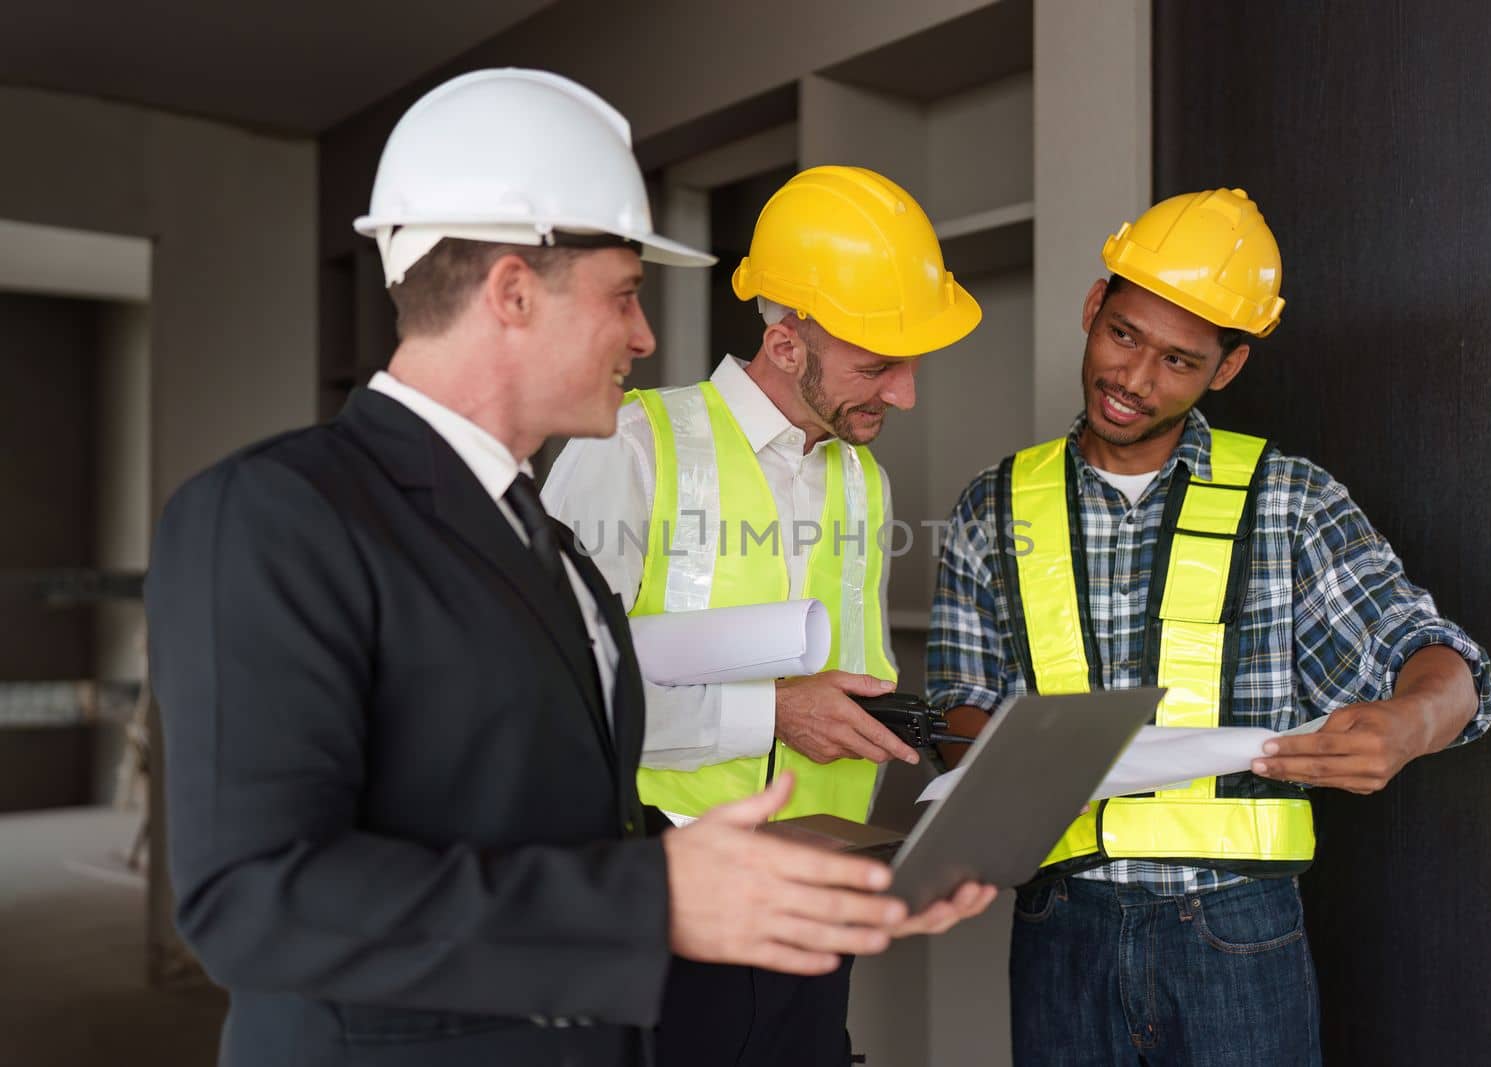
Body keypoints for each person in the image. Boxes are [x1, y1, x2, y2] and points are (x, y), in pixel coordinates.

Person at [146, 70, 979, 1067]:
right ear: (511, 291)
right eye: (624, 295)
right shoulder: (275, 514)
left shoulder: (553, 551)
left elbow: (571, 811)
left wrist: (804, 883)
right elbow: (252, 902)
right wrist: (660, 895)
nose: (647, 334)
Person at [926, 187, 1491, 1066]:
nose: (1134, 378)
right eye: (1123, 335)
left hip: (1236, 930)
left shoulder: (1289, 500)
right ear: (1093, 306)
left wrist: (1407, 722)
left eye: (1179, 361)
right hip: (1058, 925)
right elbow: (956, 716)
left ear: (1225, 370)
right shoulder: (991, 506)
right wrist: (1001, 754)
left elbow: (1438, 659)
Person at [544, 164, 991, 1066]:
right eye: (879, 365)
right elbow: (556, 695)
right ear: (787, 342)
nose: (904, 393)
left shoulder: (864, 478)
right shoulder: (630, 447)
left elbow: (840, 684)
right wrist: (774, 709)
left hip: (815, 897)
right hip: (667, 899)